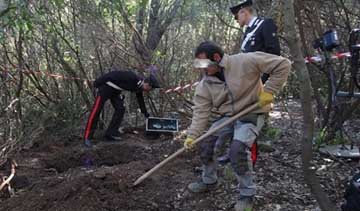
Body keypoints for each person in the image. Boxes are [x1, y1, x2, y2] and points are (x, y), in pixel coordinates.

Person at [184, 41, 290, 211]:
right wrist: (192, 135)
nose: (202, 69)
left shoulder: (245, 61)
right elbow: (201, 112)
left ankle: (247, 194)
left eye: (205, 64)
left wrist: (269, 91)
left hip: (251, 113)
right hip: (226, 116)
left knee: (237, 149)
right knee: (206, 143)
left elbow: (283, 64)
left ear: (217, 58)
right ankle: (209, 180)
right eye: (199, 65)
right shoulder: (205, 84)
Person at [84, 68, 160, 146]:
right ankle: (87, 137)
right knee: (96, 110)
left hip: (116, 91)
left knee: (120, 109)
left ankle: (110, 133)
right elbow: (112, 75)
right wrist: (96, 83)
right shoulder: (132, 77)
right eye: (150, 89)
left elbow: (140, 99)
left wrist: (145, 113)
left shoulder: (139, 86)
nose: (149, 91)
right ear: (147, 84)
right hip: (106, 87)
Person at [230, 0, 281, 83]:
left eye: (236, 17)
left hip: (263, 82)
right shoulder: (248, 31)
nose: (236, 20)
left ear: (244, 12)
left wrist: (262, 80)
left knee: (264, 97)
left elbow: (274, 53)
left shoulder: (265, 24)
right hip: (250, 81)